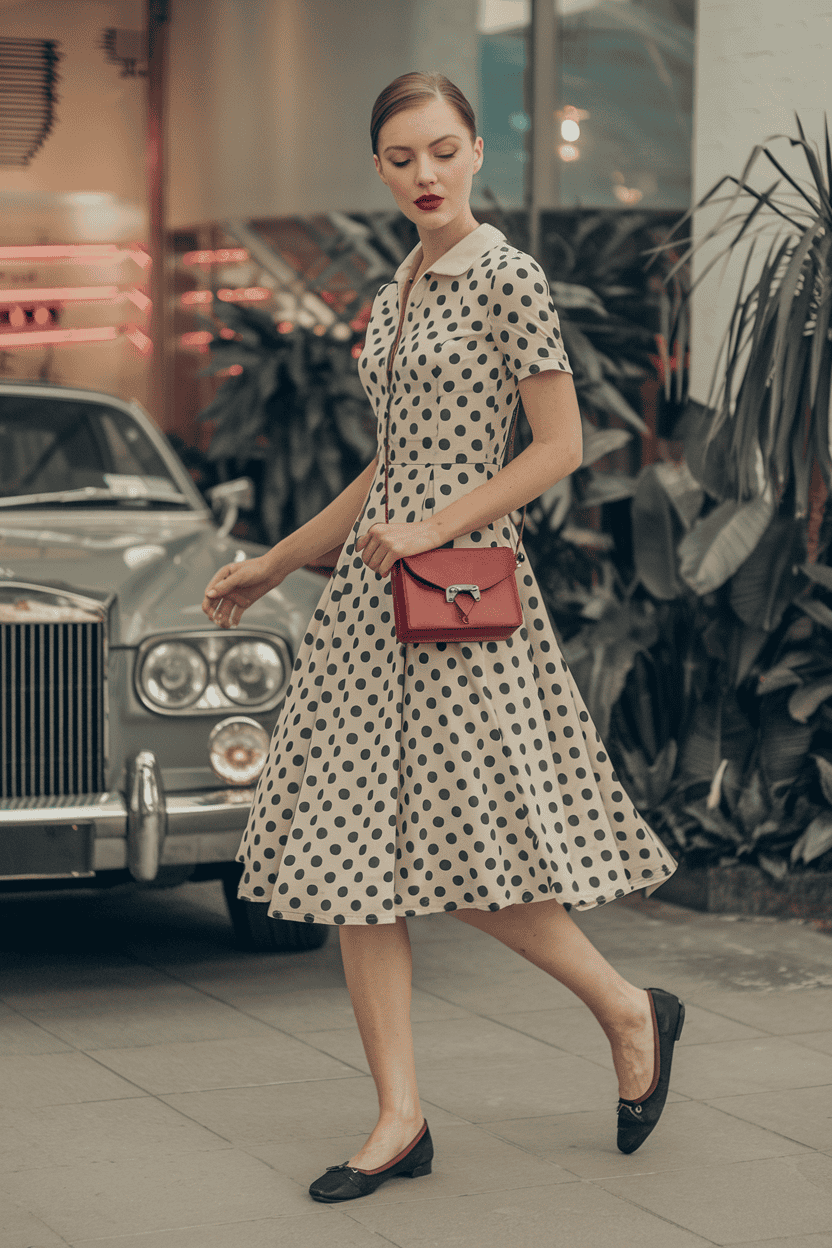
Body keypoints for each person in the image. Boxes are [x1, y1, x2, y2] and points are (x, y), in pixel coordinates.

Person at [202, 71, 683, 1203]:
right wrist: (277, 559)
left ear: (476, 154)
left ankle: (627, 1008)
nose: (424, 173)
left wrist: (431, 525)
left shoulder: (507, 274)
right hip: (372, 602)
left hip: (460, 599)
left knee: (469, 854)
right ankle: (398, 1121)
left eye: (442, 150)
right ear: (378, 168)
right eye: (401, 157)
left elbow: (559, 444)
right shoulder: (400, 287)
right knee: (353, 860)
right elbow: (387, 465)